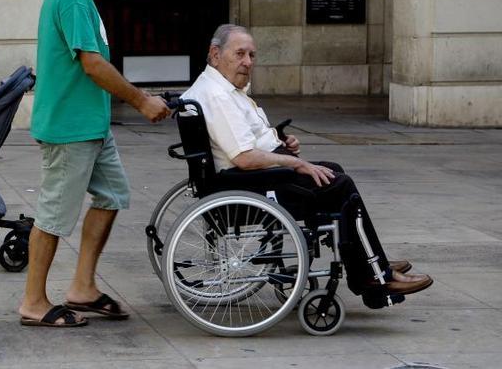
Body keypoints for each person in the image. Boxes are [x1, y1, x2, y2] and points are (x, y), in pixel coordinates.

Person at [179, 24, 433, 304]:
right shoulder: (218, 95)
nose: (248, 62)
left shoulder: (218, 87)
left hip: (245, 179)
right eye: (240, 54)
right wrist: (295, 163)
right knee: (339, 185)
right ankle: (372, 274)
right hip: (246, 185)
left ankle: (367, 261)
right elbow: (244, 157)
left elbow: (246, 141)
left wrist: (279, 143)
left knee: (332, 171)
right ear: (215, 54)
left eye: (252, 55)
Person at [19, 0, 171, 328]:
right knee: (53, 216)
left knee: (112, 195)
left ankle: (83, 288)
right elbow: (92, 64)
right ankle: (33, 302)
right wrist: (140, 100)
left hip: (92, 128)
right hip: (70, 130)